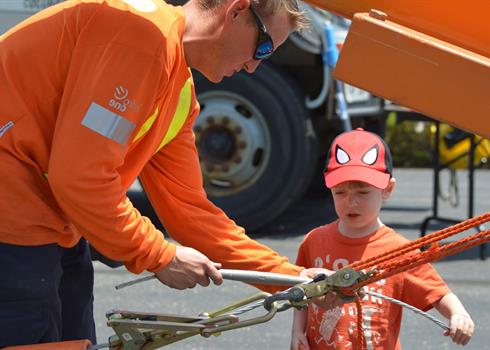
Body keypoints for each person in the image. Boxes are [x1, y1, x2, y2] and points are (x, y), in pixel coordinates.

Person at [0, 0, 312, 347]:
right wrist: (158, 255)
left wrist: (290, 278)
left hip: (51, 222)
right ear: (237, 11)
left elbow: (189, 211)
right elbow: (80, 178)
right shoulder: (141, 37)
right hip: (13, 216)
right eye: (264, 47)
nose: (255, 66)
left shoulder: (178, 91)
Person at [290, 128, 475, 349]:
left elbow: (437, 292)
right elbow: (300, 292)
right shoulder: (314, 240)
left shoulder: (398, 250)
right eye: (340, 192)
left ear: (387, 189)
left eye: (363, 192)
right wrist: (297, 331)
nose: (351, 202)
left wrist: (458, 313)